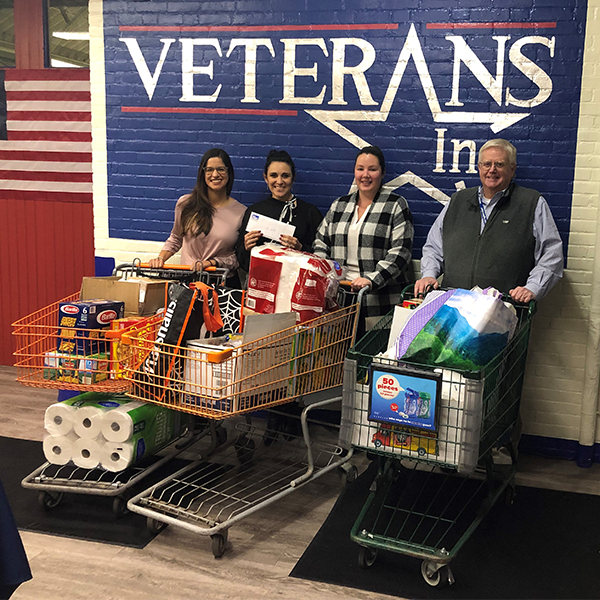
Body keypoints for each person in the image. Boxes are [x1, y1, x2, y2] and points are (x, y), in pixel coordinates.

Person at [414, 138, 563, 302]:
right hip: (453, 307)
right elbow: (433, 248)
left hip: (503, 311)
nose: (492, 170)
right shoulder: (457, 201)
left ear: (512, 169)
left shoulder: (531, 203)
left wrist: (532, 288)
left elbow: (552, 254)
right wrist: (429, 275)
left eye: (499, 164)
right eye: (486, 164)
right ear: (479, 168)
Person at [313, 145, 414, 326]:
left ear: (382, 173)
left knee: (370, 352)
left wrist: (371, 279)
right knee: (339, 352)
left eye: (372, 169)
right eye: (360, 169)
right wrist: (325, 274)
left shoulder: (396, 205)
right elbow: (321, 241)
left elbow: (401, 253)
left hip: (379, 300)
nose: (365, 175)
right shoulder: (339, 205)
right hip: (341, 299)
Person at [150, 148, 246, 287]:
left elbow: (238, 258)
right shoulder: (186, 204)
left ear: (229, 173)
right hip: (189, 282)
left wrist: (212, 262)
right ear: (202, 173)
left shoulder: (241, 212)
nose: (215, 174)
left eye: (221, 169)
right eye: (209, 169)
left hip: (223, 284)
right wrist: (160, 259)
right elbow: (176, 238)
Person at [235, 149, 323, 274]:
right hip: (262, 283)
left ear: (293, 178)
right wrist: (246, 248)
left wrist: (301, 249)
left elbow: (321, 257)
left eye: (285, 176)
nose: (280, 181)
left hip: (297, 286)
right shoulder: (254, 211)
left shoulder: (309, 212)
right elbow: (242, 262)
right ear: (266, 177)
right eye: (273, 175)